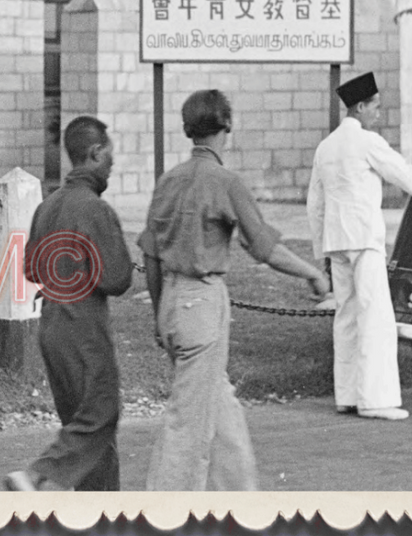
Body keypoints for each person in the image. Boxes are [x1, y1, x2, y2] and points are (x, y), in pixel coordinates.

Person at [140, 89, 329, 491]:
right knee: (187, 424)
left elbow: (152, 256)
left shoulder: (168, 181)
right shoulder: (225, 182)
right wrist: (311, 273)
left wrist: (161, 314)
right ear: (227, 126)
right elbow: (265, 248)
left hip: (172, 300)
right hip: (203, 301)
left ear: (188, 129)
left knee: (221, 410)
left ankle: (240, 501)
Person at [307, 72, 412, 421]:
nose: (378, 113)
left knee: (347, 318)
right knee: (376, 317)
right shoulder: (367, 142)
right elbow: (403, 173)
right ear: (360, 107)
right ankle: (376, 401)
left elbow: (314, 203)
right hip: (364, 240)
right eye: (375, 107)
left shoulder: (326, 147)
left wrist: (321, 247)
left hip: (337, 242)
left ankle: (347, 396)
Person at [5, 116, 133, 492]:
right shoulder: (95, 209)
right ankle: (34, 475)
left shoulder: (49, 205)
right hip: (84, 325)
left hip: (51, 325)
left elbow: (31, 268)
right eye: (109, 156)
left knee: (86, 434)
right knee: (100, 414)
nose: (112, 164)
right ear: (94, 154)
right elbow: (117, 278)